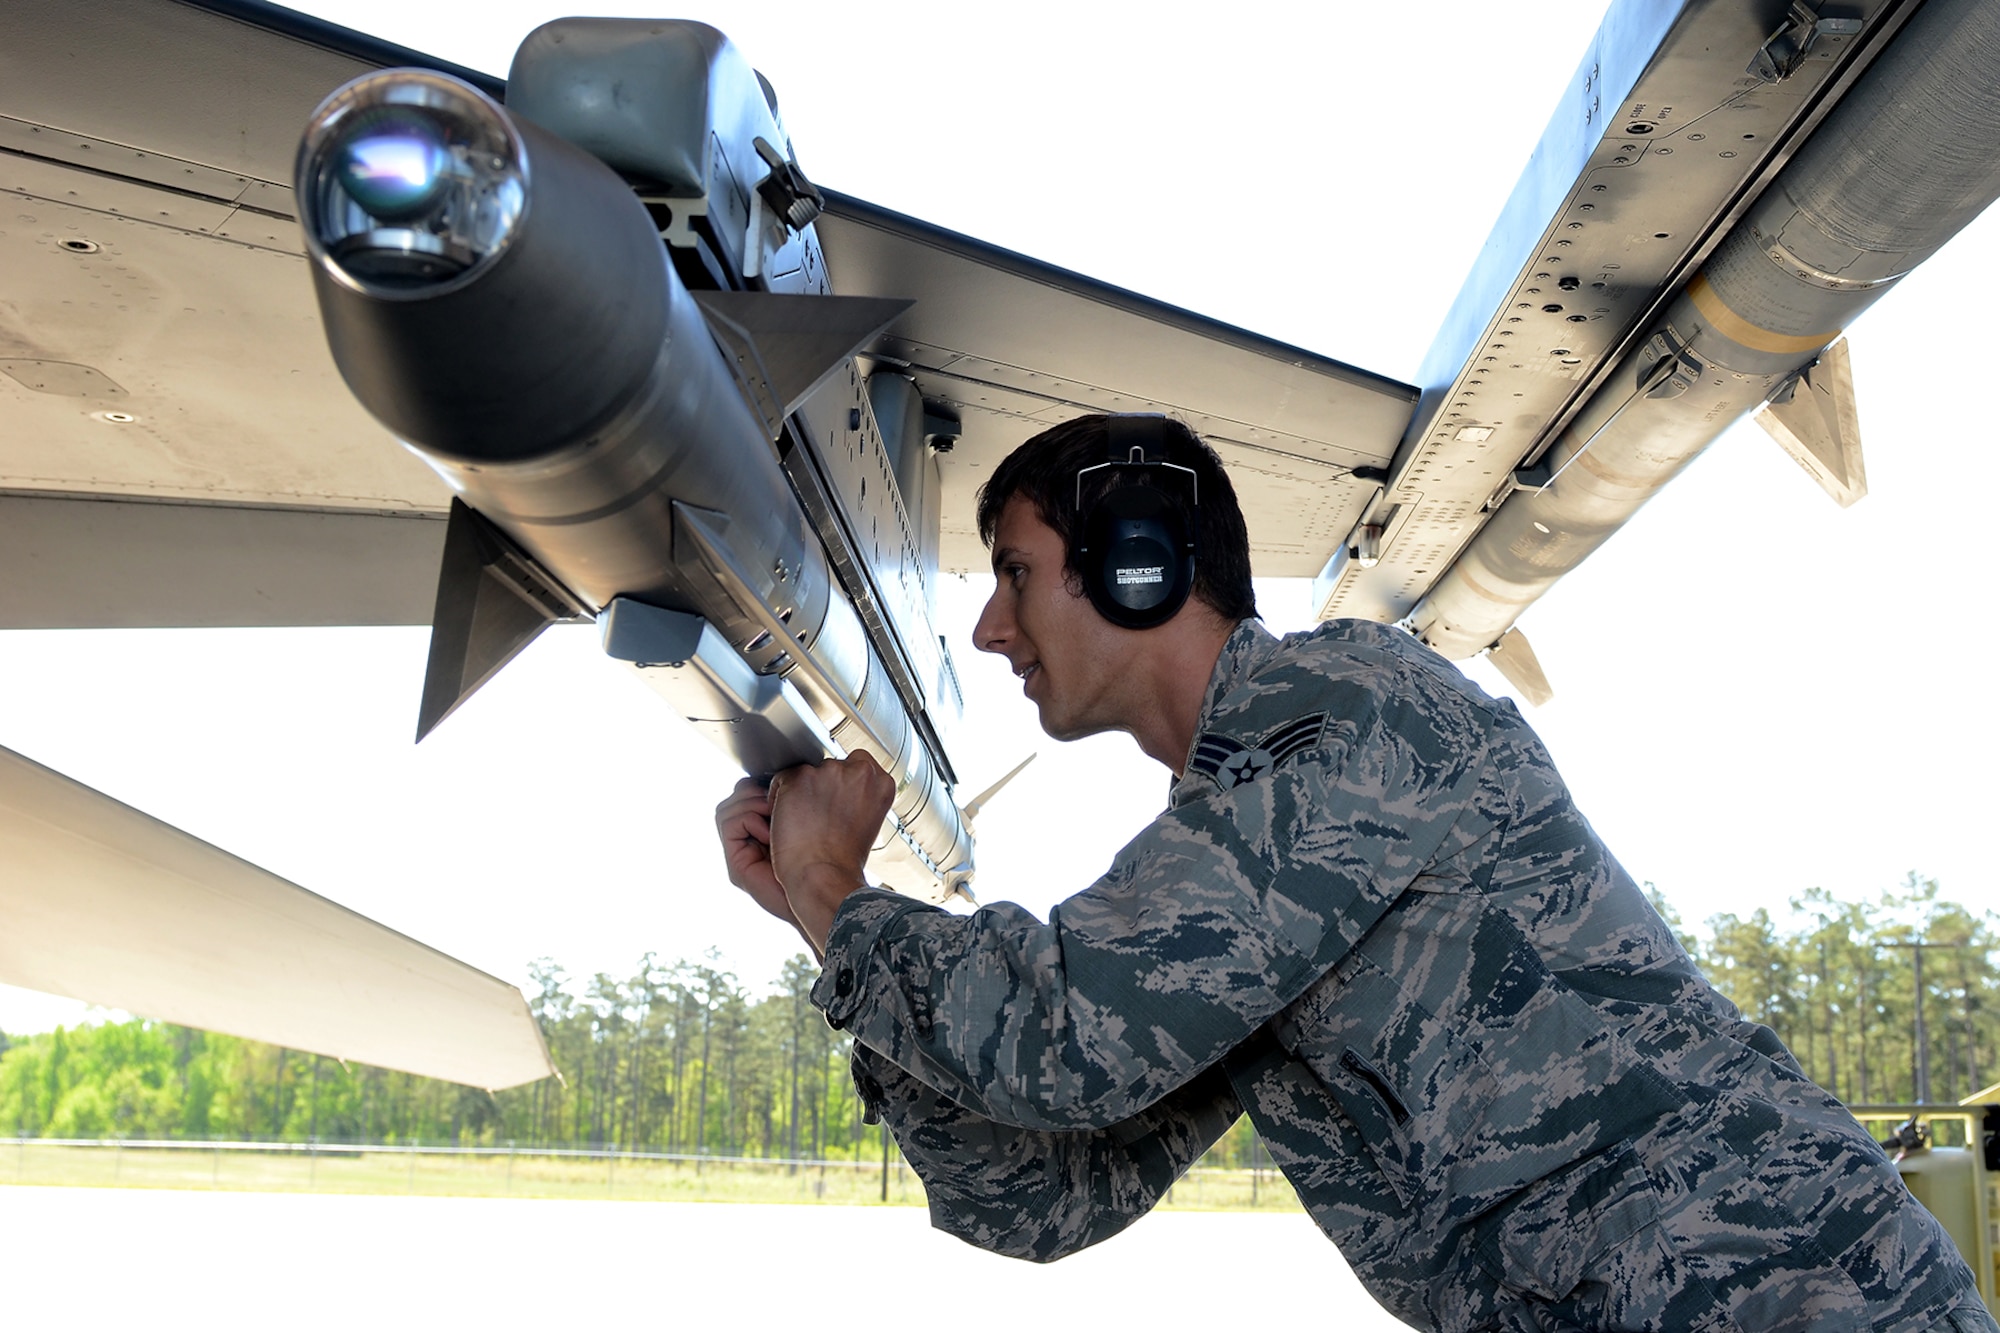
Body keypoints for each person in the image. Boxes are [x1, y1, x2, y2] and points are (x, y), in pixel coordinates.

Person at [714, 413, 1992, 1333]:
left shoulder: (1344, 709)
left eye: (1013, 571)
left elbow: (1065, 1030)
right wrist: (829, 928)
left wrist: (843, 893)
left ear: (1136, 559)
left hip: (1773, 1290)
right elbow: (1046, 1190)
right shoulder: (1237, 855)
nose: (991, 628)